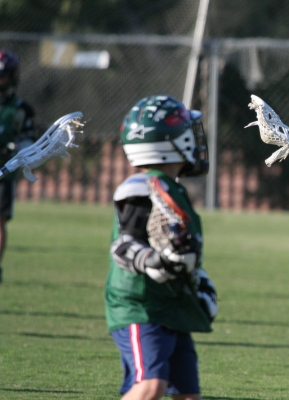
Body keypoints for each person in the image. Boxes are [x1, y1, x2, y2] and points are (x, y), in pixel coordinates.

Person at [105, 95, 217, 400]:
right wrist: (155, 261)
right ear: (170, 142)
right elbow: (123, 247)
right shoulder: (142, 186)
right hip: (141, 305)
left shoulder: (172, 188)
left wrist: (199, 283)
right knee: (151, 386)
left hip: (171, 304)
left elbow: (180, 251)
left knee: (187, 394)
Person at [0, 50, 35, 283]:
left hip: (4, 173)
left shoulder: (20, 108)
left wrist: (17, 149)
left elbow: (30, 141)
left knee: (0, 220)